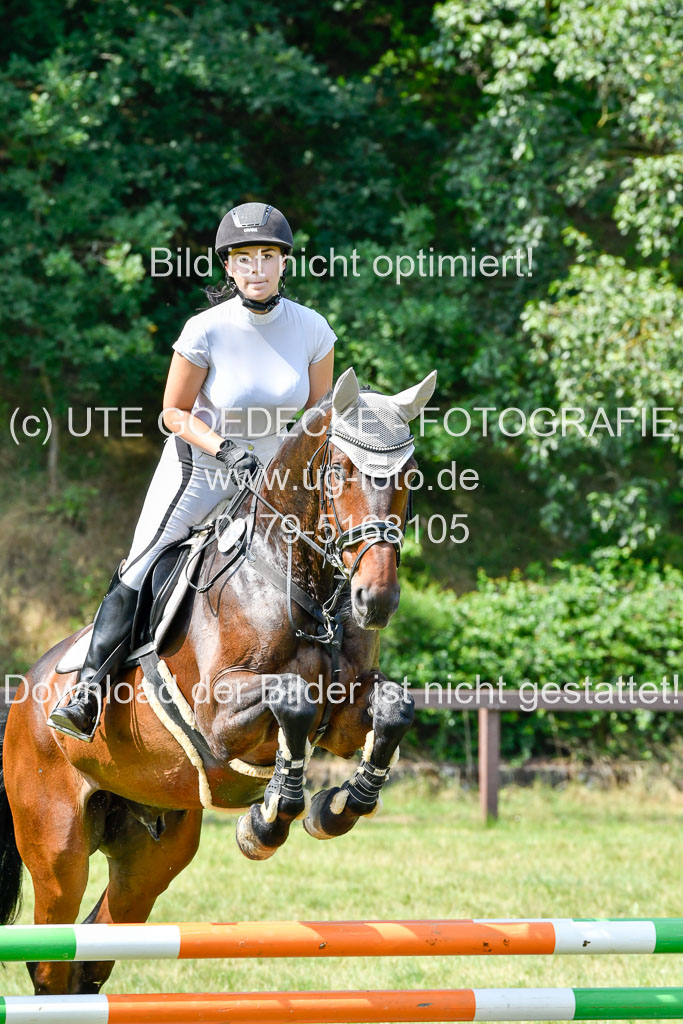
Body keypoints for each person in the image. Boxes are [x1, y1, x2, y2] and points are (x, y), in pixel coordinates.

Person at [48, 202, 336, 742]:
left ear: (284, 262)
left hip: (270, 479)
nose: (256, 268)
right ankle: (87, 691)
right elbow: (174, 413)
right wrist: (226, 449)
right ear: (228, 266)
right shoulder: (205, 329)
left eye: (267, 256)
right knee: (143, 561)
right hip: (199, 470)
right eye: (243, 258)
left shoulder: (313, 328)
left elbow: (320, 417)